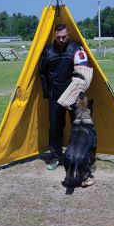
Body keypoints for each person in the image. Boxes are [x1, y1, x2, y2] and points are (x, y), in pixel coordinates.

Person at [39, 23, 93, 171]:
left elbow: (84, 72)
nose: (61, 40)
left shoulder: (77, 49)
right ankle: (56, 157)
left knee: (80, 128)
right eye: (58, 38)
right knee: (55, 127)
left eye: (63, 37)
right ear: (55, 37)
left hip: (76, 95)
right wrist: (47, 93)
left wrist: (80, 94)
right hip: (55, 95)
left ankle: (81, 158)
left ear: (68, 35)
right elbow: (42, 73)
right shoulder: (48, 50)